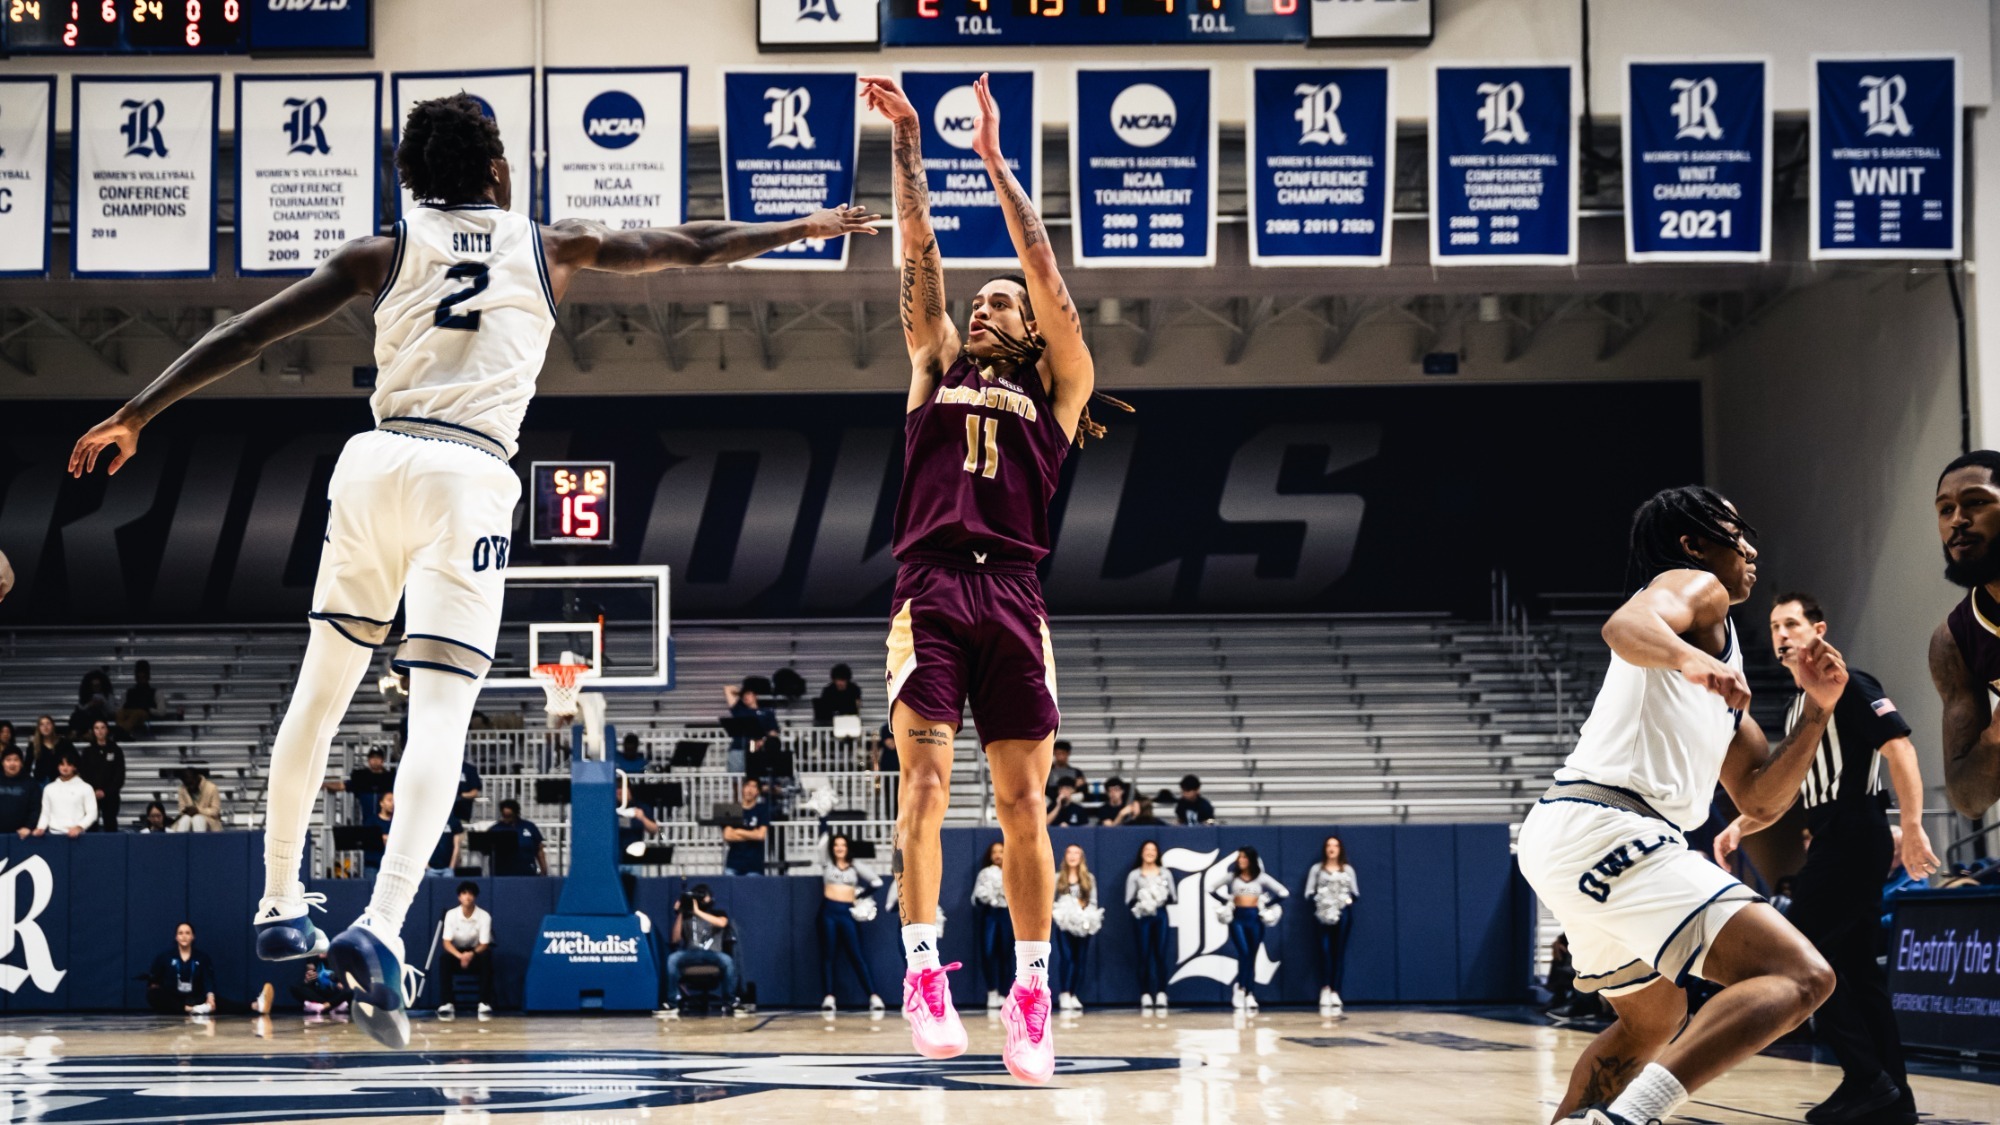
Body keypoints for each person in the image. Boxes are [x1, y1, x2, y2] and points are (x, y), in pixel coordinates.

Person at [66, 91, 874, 1051]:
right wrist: (806, 225)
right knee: (441, 715)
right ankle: (378, 923)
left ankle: (280, 901)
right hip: (470, 473)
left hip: (375, 460)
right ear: (496, 170)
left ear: (411, 177)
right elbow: (691, 246)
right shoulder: (555, 244)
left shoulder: (383, 250)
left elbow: (244, 333)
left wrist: (137, 412)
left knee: (319, 698)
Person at [862, 70, 1126, 1085]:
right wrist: (912, 145)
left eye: (998, 303)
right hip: (928, 589)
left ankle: (1028, 992)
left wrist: (994, 162)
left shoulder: (1060, 391)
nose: (983, 307)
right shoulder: (932, 365)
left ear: (1028, 330)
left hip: (1013, 595)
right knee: (922, 782)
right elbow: (918, 257)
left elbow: (1045, 270)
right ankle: (923, 968)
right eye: (978, 302)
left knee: (1024, 806)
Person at [1515, 486, 1842, 1125]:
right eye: (1735, 533)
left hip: (1575, 833)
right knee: (1801, 975)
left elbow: (1760, 800)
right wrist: (1692, 659)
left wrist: (1818, 713)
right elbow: (1624, 626)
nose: (1750, 547)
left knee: (1653, 1020)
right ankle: (1629, 1119)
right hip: (1612, 826)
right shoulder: (1693, 586)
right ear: (1695, 544)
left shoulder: (1724, 659)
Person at [1713, 593, 1939, 1124]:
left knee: (1800, 958)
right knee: (1856, 973)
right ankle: (1892, 1095)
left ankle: (1866, 1078)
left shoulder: (1851, 684)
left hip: (1854, 832)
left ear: (1819, 629)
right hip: (1834, 833)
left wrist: (1911, 827)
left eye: (1792, 623)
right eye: (1774, 626)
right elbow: (1794, 792)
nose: (1782, 633)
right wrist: (1742, 826)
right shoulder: (1801, 706)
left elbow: (1900, 748)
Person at [1929, 449, 2000, 819]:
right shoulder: (1954, 640)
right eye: (1945, 509)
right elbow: (1968, 799)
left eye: (1976, 502)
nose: (1958, 520)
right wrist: (1996, 733)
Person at [815, 828, 886, 1014]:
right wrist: (823, 819)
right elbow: (822, 841)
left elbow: (876, 882)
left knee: (857, 954)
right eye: (836, 844)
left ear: (848, 847)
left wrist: (862, 894)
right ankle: (829, 997)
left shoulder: (855, 865)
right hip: (828, 911)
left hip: (847, 913)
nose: (839, 848)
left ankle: (873, 995)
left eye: (843, 844)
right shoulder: (827, 863)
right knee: (828, 955)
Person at [1214, 846, 1288, 1012]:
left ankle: (1250, 992)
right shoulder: (1232, 877)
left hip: (1255, 919)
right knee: (1244, 953)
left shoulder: (1261, 878)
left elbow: (1283, 892)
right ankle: (1240, 989)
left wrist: (1266, 904)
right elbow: (1211, 888)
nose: (1241, 860)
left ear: (1252, 860)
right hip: (1238, 919)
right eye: (1239, 857)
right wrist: (1227, 901)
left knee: (1252, 955)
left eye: (1245, 857)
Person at [146, 922, 273, 1017]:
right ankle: (192, 1010)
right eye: (180, 933)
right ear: (176, 937)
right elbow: (154, 977)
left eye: (187, 933)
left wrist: (210, 998)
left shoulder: (202, 957)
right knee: (154, 995)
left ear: (192, 937)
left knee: (218, 1001)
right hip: (175, 998)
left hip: (195, 998)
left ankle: (256, 1005)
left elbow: (208, 979)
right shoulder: (165, 957)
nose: (184, 936)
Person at [663, 884, 740, 1017]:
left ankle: (730, 1001)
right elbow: (675, 940)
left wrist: (697, 911)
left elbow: (722, 923)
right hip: (690, 953)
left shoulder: (719, 913)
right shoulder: (686, 916)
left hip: (713, 953)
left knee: (727, 961)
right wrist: (681, 912)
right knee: (672, 959)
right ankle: (672, 1003)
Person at [1306, 835, 1359, 1015]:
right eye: (1329, 845)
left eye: (1335, 845)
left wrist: (1346, 900)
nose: (1332, 849)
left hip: (1343, 913)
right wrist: (1322, 899)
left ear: (1340, 849)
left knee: (1339, 952)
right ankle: (1325, 988)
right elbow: (1308, 892)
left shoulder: (1348, 870)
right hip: (1323, 914)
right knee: (1325, 951)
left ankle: (1336, 991)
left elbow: (1355, 893)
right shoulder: (1317, 869)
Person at [1126, 839, 1176, 1011]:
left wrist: (1158, 897)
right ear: (1142, 853)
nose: (1150, 852)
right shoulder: (1135, 874)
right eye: (1147, 849)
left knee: (1160, 954)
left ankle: (1162, 992)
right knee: (1144, 955)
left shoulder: (1165, 873)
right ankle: (1145, 993)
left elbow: (1173, 897)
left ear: (1157, 853)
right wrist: (1144, 899)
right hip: (1142, 917)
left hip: (1160, 916)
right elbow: (1128, 900)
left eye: (1153, 849)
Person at [1051, 844, 1100, 1012]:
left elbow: (1093, 902)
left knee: (1080, 959)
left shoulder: (1089, 878)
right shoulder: (1058, 877)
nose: (1073, 856)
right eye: (1069, 852)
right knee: (1067, 957)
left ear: (1081, 857)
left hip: (1083, 924)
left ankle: (1074, 994)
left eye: (1076, 853)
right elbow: (1052, 901)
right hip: (1064, 924)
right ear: (1065, 856)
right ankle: (1064, 992)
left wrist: (1084, 912)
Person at [437, 881, 495, 1016]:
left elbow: (484, 943)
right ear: (459, 897)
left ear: (475, 897)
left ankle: (484, 1002)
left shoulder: (484, 916)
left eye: (471, 894)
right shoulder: (451, 914)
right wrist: (460, 956)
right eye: (464, 893)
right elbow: (446, 942)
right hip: (457, 953)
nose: (467, 897)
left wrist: (471, 954)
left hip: (476, 953)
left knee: (487, 955)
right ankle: (447, 1003)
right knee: (444, 958)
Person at [970, 841, 1013, 1009]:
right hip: (990, 915)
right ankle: (992, 991)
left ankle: (1004, 993)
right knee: (988, 952)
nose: (997, 855)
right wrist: (987, 898)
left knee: (1006, 954)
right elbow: (976, 896)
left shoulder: (1013, 871)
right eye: (994, 852)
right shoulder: (985, 873)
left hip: (1007, 915)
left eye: (1001, 851)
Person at [324, 746, 397, 829]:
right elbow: (342, 786)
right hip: (367, 821)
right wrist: (323, 785)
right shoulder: (362, 778)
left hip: (387, 822)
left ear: (382, 760)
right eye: (372, 758)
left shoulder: (390, 778)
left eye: (378, 758)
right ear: (368, 760)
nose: (375, 760)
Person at [78, 720, 125, 832]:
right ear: (93, 731)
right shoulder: (88, 751)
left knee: (110, 824)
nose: (100, 731)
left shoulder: (116, 750)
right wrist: (93, 790)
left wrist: (106, 791)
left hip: (111, 795)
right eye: (96, 728)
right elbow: (84, 774)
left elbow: (119, 775)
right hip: (91, 795)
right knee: (91, 825)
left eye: (102, 727)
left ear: (107, 730)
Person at [35, 753, 96, 837]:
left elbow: (92, 813)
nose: (65, 767)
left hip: (78, 836)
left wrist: (79, 827)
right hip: (54, 835)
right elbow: (45, 813)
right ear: (58, 766)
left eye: (69, 764)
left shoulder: (86, 788)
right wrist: (40, 827)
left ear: (74, 767)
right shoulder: (49, 788)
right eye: (62, 764)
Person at [722, 777, 772, 877]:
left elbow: (760, 835)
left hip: (754, 866)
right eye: (747, 786)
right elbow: (727, 835)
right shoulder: (732, 809)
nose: (749, 790)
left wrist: (738, 831)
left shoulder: (762, 809)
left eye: (753, 787)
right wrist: (752, 833)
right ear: (742, 788)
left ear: (758, 791)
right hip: (733, 864)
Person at [489, 799, 547, 877]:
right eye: (504, 816)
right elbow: (488, 851)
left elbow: (539, 850)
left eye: (509, 816)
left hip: (527, 872)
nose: (507, 819)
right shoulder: (495, 829)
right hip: (502, 874)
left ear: (516, 813)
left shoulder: (529, 826)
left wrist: (544, 870)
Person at [0, 747, 39, 837]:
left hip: (21, 835)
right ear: (2, 763)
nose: (12, 763)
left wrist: (29, 827)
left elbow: (36, 809)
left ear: (21, 763)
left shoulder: (31, 783)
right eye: (8, 760)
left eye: (16, 760)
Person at [171, 767, 223, 833]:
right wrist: (186, 811)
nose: (190, 787)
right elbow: (181, 809)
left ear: (197, 778)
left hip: (209, 822)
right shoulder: (182, 789)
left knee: (197, 819)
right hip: (188, 818)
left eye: (191, 783)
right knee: (185, 819)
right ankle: (180, 841)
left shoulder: (212, 788)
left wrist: (198, 810)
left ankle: (199, 842)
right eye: (187, 784)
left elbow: (215, 811)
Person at [119, 659, 160, 737]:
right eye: (139, 676)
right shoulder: (128, 692)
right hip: (130, 713)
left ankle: (122, 732)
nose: (141, 678)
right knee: (120, 714)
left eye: (143, 676)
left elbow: (161, 711)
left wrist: (148, 709)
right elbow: (120, 709)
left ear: (148, 676)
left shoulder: (155, 692)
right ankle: (121, 731)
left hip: (144, 714)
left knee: (137, 713)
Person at [27, 716, 64, 783]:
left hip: (61, 780)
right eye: (42, 724)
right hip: (40, 781)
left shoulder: (63, 743)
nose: (45, 727)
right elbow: (27, 766)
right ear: (39, 728)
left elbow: (75, 760)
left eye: (48, 724)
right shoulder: (33, 745)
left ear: (53, 726)